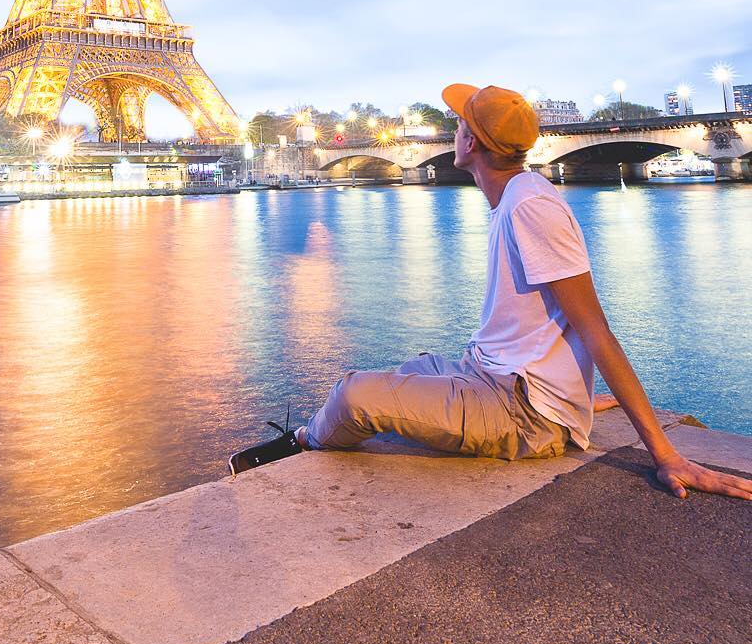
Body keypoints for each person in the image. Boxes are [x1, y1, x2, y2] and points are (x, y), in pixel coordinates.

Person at [229, 83, 752, 502]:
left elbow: (595, 327)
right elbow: (554, 322)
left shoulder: (531, 206)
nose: (453, 131)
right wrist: (576, 392)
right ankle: (556, 404)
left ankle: (299, 443)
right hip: (497, 376)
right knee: (414, 368)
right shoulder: (515, 199)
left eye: (458, 124)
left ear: (471, 144)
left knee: (353, 395)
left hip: (521, 411)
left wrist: (664, 454)